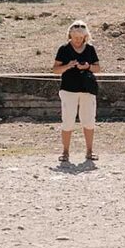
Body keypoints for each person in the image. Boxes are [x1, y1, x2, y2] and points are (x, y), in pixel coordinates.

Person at [52, 20, 101, 164]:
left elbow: (98, 68)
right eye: (76, 37)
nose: (78, 40)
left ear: (85, 36)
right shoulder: (64, 49)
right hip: (68, 90)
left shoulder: (90, 49)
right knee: (68, 121)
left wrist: (88, 67)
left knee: (89, 120)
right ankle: (65, 152)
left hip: (87, 89)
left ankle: (89, 151)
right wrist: (68, 66)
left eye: (81, 37)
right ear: (70, 36)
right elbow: (55, 70)